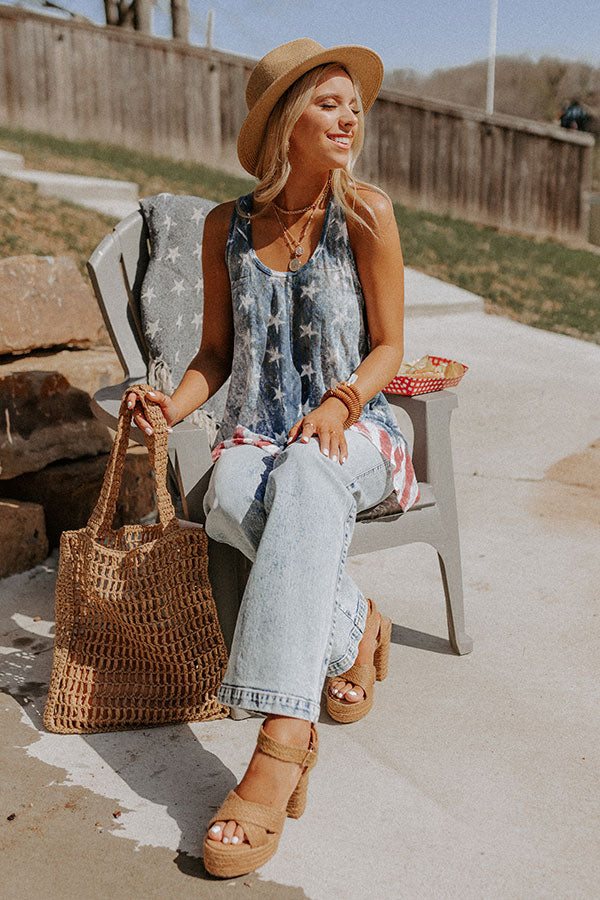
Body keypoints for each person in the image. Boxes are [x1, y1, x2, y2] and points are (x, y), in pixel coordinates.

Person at [127, 38, 420, 878]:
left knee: (305, 475)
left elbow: (392, 346)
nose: (349, 116)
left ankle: (279, 747)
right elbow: (215, 354)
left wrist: (341, 401)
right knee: (222, 496)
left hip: (356, 429)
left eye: (353, 104)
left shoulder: (366, 213)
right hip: (257, 432)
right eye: (329, 103)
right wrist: (169, 406)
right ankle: (350, 623)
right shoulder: (227, 227)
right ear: (287, 122)